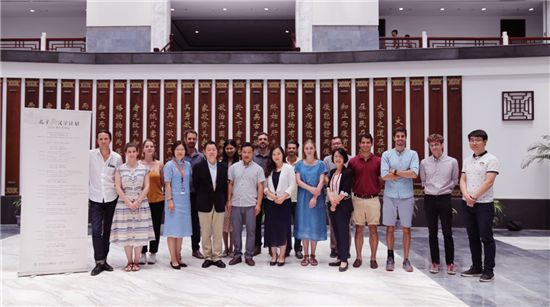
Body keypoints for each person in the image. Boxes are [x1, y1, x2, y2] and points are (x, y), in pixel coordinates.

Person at [459, 129, 499, 282]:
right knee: (472, 237)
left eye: (477, 140)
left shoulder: (491, 159)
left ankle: (489, 270)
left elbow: (489, 181)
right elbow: (462, 179)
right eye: (471, 140)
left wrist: (474, 196)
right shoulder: (467, 160)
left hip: (483, 204)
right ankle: (476, 267)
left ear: (485, 141)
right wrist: (466, 196)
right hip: (467, 203)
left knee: (486, 238)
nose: (474, 143)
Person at [111, 142, 155, 272]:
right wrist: (128, 202)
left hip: (141, 204)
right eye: (129, 151)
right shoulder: (120, 169)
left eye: (133, 151)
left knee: (140, 232)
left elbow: (146, 186)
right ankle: (129, 261)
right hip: (124, 204)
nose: (131, 154)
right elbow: (118, 187)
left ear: (137, 152)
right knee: (127, 233)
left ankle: (136, 261)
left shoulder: (144, 168)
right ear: (125, 153)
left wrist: (138, 201)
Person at [419, 134, 459, 275]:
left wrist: (445, 190)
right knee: (432, 232)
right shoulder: (424, 162)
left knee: (447, 232)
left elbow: (455, 179)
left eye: (436, 144)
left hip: (444, 198)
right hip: (429, 199)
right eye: (431, 145)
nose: (434, 148)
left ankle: (450, 263)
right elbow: (423, 181)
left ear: (442, 145)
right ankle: (435, 262)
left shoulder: (452, 162)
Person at [381, 127, 419, 272]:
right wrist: (405, 173)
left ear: (406, 138)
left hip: (406, 196)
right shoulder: (387, 155)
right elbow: (385, 176)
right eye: (398, 136)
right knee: (390, 227)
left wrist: (395, 171)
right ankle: (390, 258)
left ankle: (406, 259)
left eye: (403, 136)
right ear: (393, 138)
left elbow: (414, 174)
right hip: (390, 195)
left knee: (406, 228)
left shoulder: (413, 154)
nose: (400, 138)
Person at [89, 130, 123, 276]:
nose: (103, 141)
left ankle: (104, 260)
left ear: (110, 140)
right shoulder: (90, 155)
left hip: (111, 198)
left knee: (108, 231)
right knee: (96, 231)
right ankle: (98, 262)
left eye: (106, 139)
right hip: (95, 197)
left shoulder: (117, 158)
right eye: (101, 139)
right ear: (97, 141)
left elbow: (119, 178)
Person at [347, 133, 383, 269]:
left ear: (372, 144)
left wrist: (375, 188)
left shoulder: (378, 161)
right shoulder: (353, 161)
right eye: (363, 142)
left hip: (373, 199)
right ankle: (358, 257)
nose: (365, 145)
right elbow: (349, 179)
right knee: (359, 228)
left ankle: (373, 258)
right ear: (359, 144)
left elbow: (382, 179)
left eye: (368, 142)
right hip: (358, 198)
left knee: (373, 228)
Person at [227, 142, 266, 266]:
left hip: (251, 204)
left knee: (251, 230)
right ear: (241, 153)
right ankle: (237, 254)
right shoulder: (234, 167)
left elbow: (260, 187)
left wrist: (258, 204)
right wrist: (229, 200)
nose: (246, 154)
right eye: (244, 152)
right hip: (236, 203)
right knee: (236, 230)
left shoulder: (258, 169)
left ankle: (249, 255)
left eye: (249, 152)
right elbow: (230, 184)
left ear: (253, 153)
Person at [193, 141, 228, 269]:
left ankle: (217, 257)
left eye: (214, 149)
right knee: (206, 232)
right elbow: (196, 185)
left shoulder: (223, 167)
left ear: (217, 152)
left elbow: (224, 186)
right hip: (204, 202)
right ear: (204, 152)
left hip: (219, 202)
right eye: (209, 150)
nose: (211, 152)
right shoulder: (198, 167)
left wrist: (224, 201)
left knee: (218, 232)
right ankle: (208, 257)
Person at [295, 139, 328, 266]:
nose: (309, 150)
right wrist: (310, 189)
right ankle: (306, 255)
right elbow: (298, 181)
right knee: (304, 224)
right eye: (306, 148)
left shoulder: (320, 164)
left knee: (315, 225)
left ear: (315, 149)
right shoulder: (299, 164)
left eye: (311, 148)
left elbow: (321, 181)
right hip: (303, 197)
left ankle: (313, 255)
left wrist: (315, 195)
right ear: (304, 150)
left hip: (317, 197)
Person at [263, 145, 296, 267]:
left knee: (283, 229)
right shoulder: (268, 168)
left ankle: (282, 255)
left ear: (283, 155)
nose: (276, 156)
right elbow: (264, 186)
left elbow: (292, 185)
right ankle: (274, 255)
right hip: (271, 203)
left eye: (279, 154)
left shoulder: (288, 168)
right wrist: (271, 196)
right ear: (271, 156)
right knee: (272, 229)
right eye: (274, 154)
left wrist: (283, 197)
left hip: (284, 203)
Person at [164, 141, 193, 269]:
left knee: (180, 230)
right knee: (172, 231)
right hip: (173, 201)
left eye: (182, 149)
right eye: (177, 149)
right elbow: (167, 184)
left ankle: (178, 257)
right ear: (173, 151)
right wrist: (170, 200)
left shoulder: (187, 165)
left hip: (185, 201)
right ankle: (173, 259)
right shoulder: (169, 165)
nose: (180, 152)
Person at [323, 136, 351, 259]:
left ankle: (345, 253)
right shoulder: (330, 166)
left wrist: (337, 200)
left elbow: (346, 187)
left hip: (343, 202)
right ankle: (336, 251)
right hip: (332, 201)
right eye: (333, 144)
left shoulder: (349, 165)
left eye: (338, 143)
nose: (336, 145)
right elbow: (327, 183)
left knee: (345, 228)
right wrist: (332, 200)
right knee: (334, 227)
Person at [326, 148, 354, 272]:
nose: (338, 159)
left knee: (343, 232)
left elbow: (345, 190)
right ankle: (339, 256)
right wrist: (331, 200)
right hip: (332, 205)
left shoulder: (348, 172)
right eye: (336, 156)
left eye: (340, 157)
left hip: (343, 206)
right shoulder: (332, 172)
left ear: (344, 159)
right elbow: (328, 187)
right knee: (336, 231)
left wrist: (335, 202)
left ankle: (344, 259)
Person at [138, 139, 164, 265]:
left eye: (151, 146)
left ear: (154, 149)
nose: (149, 148)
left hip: (157, 200)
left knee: (155, 227)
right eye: (147, 146)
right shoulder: (138, 164)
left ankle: (153, 253)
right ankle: (142, 253)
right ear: (143, 149)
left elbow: (162, 182)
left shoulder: (160, 164)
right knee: (142, 227)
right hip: (142, 200)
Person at [183, 129, 205, 259]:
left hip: (196, 194)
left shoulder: (201, 157)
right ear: (185, 140)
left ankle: (195, 248)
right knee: (180, 221)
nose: (191, 141)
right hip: (182, 194)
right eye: (189, 138)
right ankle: (177, 249)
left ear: (196, 140)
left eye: (194, 139)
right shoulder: (180, 155)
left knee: (196, 222)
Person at [285, 140, 303, 259]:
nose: (291, 150)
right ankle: (286, 249)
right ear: (286, 149)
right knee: (285, 225)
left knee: (298, 225)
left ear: (297, 150)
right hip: (285, 199)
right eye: (289, 148)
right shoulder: (282, 162)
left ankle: (297, 248)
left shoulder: (301, 163)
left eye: (294, 148)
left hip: (298, 198)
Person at [221, 139, 239, 258]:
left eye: (231, 148)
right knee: (224, 223)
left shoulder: (240, 163)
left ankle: (232, 248)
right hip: (223, 197)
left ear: (236, 149)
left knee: (233, 224)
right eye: (227, 148)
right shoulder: (221, 164)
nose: (229, 150)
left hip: (236, 196)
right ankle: (225, 248)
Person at [253, 132, 270, 255]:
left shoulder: (273, 155)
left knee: (270, 221)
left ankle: (270, 246)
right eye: (260, 139)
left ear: (268, 142)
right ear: (257, 142)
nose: (262, 141)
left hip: (270, 194)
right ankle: (257, 245)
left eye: (265, 139)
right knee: (256, 222)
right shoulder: (252, 156)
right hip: (255, 194)